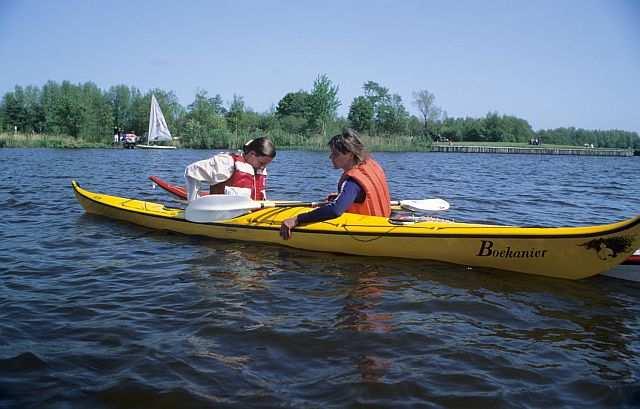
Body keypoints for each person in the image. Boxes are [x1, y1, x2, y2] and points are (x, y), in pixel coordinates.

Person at [280, 128, 391, 240]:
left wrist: (297, 219)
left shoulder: (353, 182)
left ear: (350, 155)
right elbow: (361, 196)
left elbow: (335, 210)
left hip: (370, 230)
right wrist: (341, 197)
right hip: (382, 221)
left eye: (335, 154)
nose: (330, 157)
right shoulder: (371, 165)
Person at [184, 137, 276, 202]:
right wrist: (194, 203)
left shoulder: (260, 169)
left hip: (250, 216)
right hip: (221, 216)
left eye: (266, 164)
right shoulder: (227, 163)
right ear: (252, 154)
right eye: (261, 163)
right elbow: (191, 170)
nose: (263, 167)